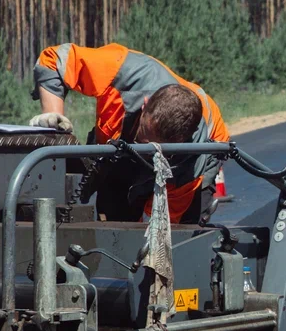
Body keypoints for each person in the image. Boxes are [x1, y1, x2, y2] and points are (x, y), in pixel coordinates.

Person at [29, 43, 228, 224]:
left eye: (155, 150)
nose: (145, 150)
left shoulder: (194, 158)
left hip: (190, 163)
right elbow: (54, 59)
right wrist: (53, 118)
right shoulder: (121, 70)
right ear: (145, 104)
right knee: (114, 214)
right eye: (144, 136)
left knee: (179, 234)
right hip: (120, 147)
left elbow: (163, 224)